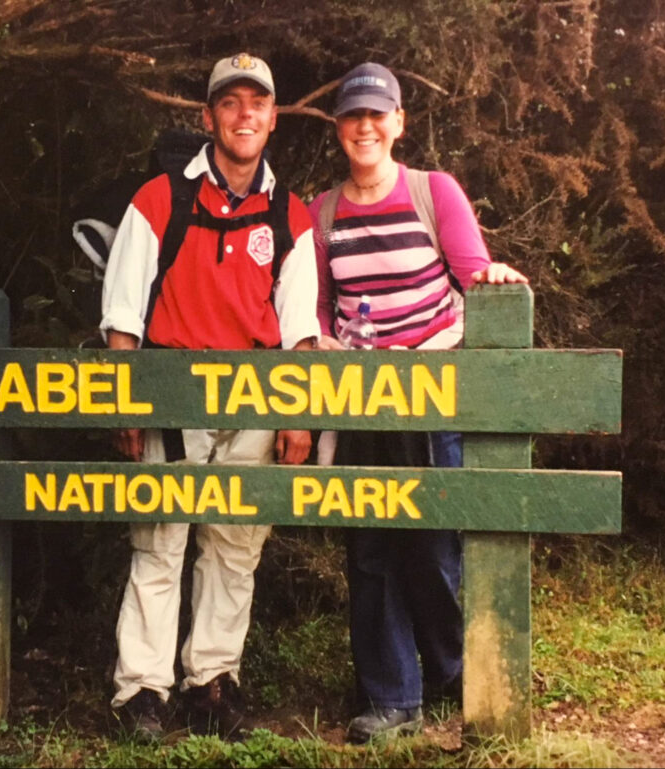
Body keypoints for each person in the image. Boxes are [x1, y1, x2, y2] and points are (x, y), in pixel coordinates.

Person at [99, 52, 321, 741]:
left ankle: (214, 681)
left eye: (257, 103)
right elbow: (123, 316)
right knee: (159, 542)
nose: (244, 113)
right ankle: (142, 689)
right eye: (231, 102)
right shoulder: (160, 198)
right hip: (170, 390)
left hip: (257, 396)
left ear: (273, 118)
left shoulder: (291, 215)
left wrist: (299, 420)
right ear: (209, 116)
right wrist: (125, 402)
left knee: (234, 546)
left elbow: (302, 330)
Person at [309, 62, 529, 745]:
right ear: (339, 129)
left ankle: (447, 667)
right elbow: (317, 311)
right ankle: (390, 697)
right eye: (353, 116)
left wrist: (489, 275)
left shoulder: (434, 192)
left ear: (399, 123)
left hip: (430, 395)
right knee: (371, 551)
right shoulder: (322, 212)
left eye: (378, 114)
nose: (365, 126)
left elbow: (472, 274)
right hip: (359, 400)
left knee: (433, 548)